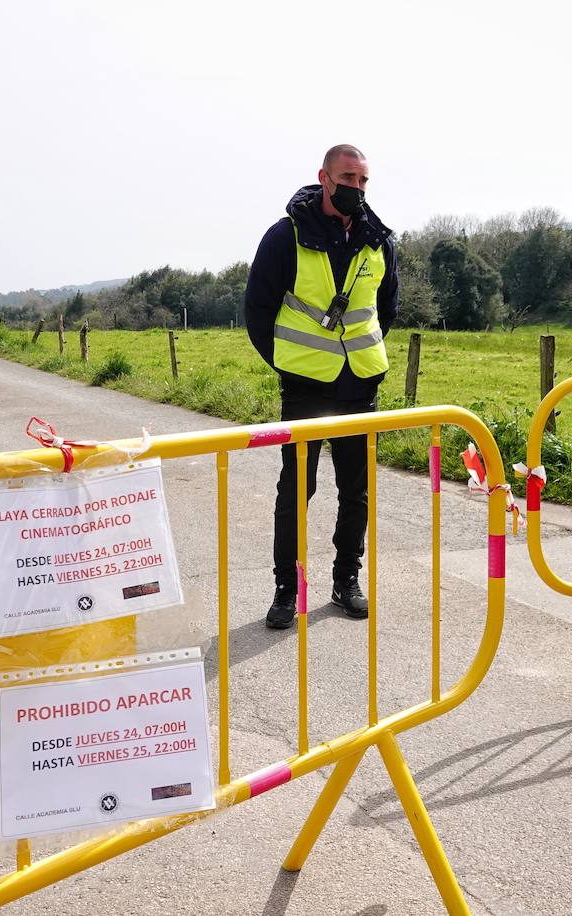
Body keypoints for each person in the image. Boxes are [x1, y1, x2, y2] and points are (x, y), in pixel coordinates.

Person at [244, 144, 398, 629]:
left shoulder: (379, 239)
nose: (356, 187)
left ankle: (345, 579)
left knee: (356, 490)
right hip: (305, 385)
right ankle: (286, 590)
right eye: (348, 178)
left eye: (363, 180)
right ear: (324, 177)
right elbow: (258, 311)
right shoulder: (285, 236)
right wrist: (289, 362)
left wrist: (358, 359)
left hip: (360, 385)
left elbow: (386, 308)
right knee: (297, 489)